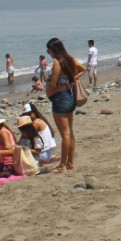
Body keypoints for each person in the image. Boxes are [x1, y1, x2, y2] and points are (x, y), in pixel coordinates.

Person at [45, 38, 87, 173]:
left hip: (60, 100)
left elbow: (53, 84)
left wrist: (49, 81)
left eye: (49, 50)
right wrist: (75, 77)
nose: (48, 53)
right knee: (70, 132)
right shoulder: (69, 59)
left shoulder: (57, 63)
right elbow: (83, 69)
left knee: (65, 135)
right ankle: (70, 163)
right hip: (69, 97)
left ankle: (62, 165)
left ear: (53, 50)